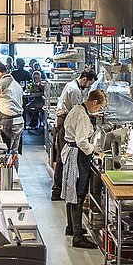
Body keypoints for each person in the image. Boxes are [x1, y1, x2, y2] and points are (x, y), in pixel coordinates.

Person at [63, 89, 108, 248]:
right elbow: (82, 141)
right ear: (94, 102)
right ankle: (77, 237)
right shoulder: (82, 115)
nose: (99, 110)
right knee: (78, 194)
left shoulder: (77, 108)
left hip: (71, 152)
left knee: (71, 192)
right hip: (78, 155)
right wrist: (93, 149)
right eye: (99, 107)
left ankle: (71, 227)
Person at [51, 68, 98, 201]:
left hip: (64, 120)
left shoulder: (71, 84)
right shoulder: (75, 90)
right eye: (89, 84)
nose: (88, 86)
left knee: (61, 156)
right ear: (84, 79)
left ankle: (60, 190)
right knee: (62, 158)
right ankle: (58, 191)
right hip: (64, 121)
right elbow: (77, 110)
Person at [0, 60, 25, 153]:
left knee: (6, 153)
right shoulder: (16, 84)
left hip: (9, 123)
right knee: (14, 152)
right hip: (20, 121)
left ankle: (8, 168)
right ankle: (15, 168)